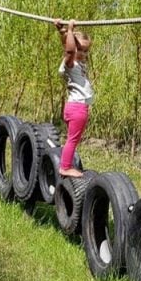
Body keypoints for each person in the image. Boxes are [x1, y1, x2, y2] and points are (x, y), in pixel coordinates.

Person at [54, 19, 93, 178]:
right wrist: (69, 30)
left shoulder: (77, 61)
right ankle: (65, 167)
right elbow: (69, 49)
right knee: (72, 140)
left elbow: (68, 45)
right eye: (81, 50)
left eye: (86, 50)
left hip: (77, 108)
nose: (84, 54)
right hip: (77, 108)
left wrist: (62, 31)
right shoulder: (70, 62)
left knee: (73, 139)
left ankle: (66, 165)